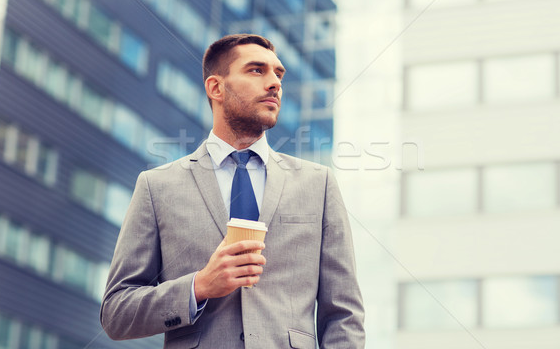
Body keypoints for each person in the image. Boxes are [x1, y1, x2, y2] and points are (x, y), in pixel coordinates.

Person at [100, 34, 365, 348]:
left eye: (278, 74)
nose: (274, 83)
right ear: (216, 88)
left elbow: (343, 314)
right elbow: (116, 313)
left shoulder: (317, 184)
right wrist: (199, 286)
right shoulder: (157, 187)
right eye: (256, 70)